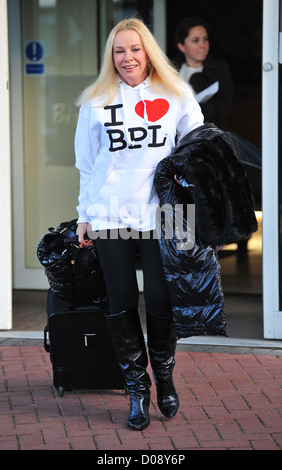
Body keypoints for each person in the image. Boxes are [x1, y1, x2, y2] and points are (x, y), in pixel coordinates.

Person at [74, 18, 204, 431]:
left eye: (134, 49)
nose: (127, 58)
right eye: (118, 51)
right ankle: (136, 388)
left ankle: (163, 373)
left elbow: (198, 152)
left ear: (148, 51)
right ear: (110, 57)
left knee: (163, 301)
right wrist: (84, 214)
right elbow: (87, 165)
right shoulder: (95, 101)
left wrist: (199, 209)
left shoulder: (177, 94)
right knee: (121, 301)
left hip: (166, 215)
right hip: (111, 211)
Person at [175, 16, 233, 131]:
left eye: (205, 39)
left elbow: (224, 105)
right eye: (196, 40)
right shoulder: (171, 69)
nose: (203, 45)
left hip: (211, 131)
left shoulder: (220, 67)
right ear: (182, 46)